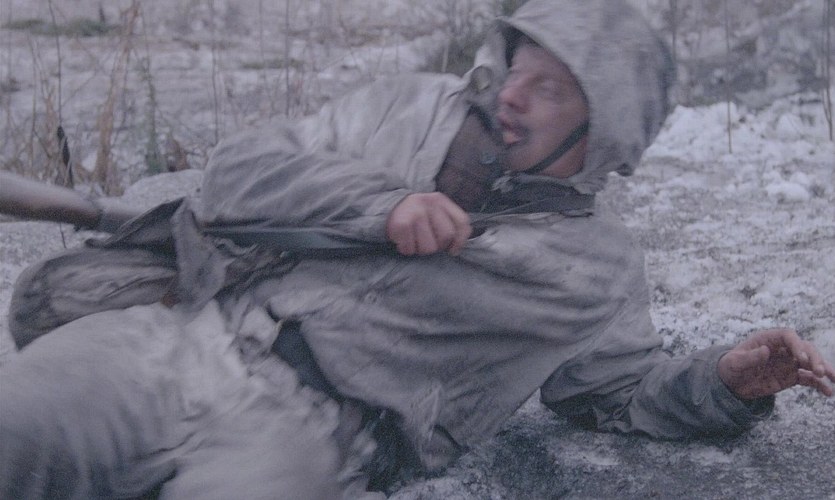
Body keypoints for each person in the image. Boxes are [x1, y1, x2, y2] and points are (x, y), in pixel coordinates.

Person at [2, 1, 833, 498]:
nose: (511, 95)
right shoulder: (413, 108)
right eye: (518, 69)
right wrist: (383, 204)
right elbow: (240, 173)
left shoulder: (598, 272)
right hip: (183, 337)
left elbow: (615, 393)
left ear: (604, 132)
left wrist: (725, 383)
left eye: (549, 90)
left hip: (312, 435)